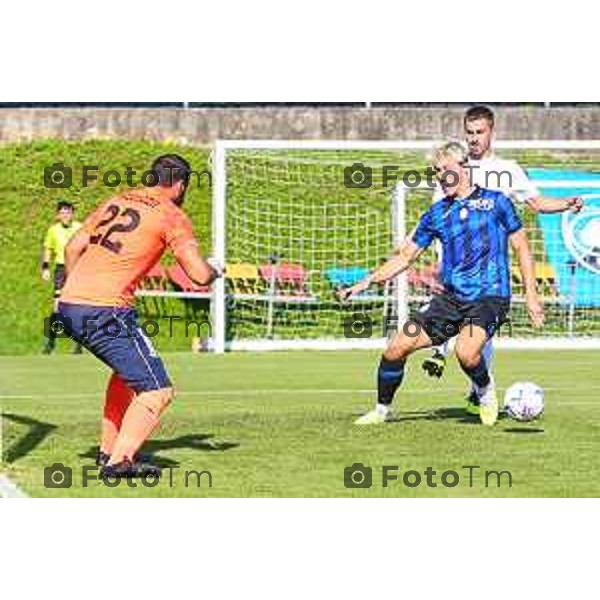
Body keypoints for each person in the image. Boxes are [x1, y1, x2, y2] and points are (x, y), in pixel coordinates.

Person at [340, 141, 544, 426]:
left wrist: (531, 296)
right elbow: (406, 256)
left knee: (466, 351)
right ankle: (381, 410)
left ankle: (484, 392)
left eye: (445, 169)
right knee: (396, 346)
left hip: (490, 297)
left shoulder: (497, 202)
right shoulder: (437, 213)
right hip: (450, 300)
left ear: (464, 168)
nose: (440, 176)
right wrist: (367, 281)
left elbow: (522, 247)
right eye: (436, 171)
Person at [58, 155, 221, 479]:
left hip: (71, 304)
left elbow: (73, 248)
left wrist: (78, 292)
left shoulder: (116, 200)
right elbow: (200, 275)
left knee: (125, 376)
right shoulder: (172, 216)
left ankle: (109, 450)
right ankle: (120, 463)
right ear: (181, 184)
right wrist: (217, 268)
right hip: (106, 309)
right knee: (157, 389)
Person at [420, 105, 582, 414]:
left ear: (492, 132)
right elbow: (438, 218)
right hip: (455, 265)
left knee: (481, 329)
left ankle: (476, 390)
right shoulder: (453, 166)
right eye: (469, 133)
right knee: (461, 328)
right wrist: (437, 261)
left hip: (490, 266)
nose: (474, 139)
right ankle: (446, 357)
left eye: (480, 132)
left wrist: (565, 204)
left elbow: (536, 202)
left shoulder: (508, 170)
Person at [41, 200, 83, 354]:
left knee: (78, 307)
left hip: (77, 270)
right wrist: (45, 267)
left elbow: (87, 246)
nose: (66, 215)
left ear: (72, 214)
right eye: (62, 212)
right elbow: (48, 249)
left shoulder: (80, 228)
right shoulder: (53, 230)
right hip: (60, 269)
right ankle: (51, 342)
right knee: (57, 308)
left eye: (68, 212)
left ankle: (79, 345)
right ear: (58, 215)